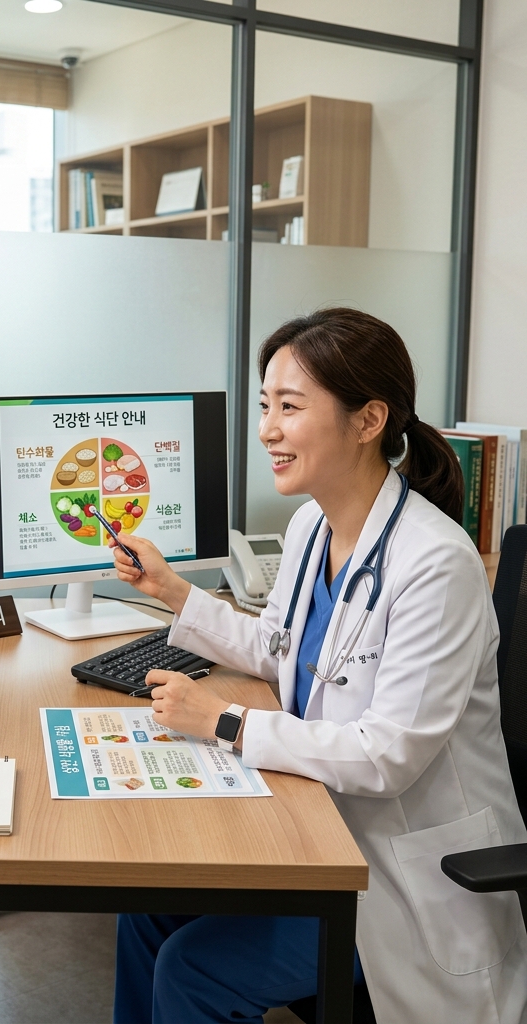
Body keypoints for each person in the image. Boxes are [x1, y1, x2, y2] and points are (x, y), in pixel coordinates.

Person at [110, 308, 527, 1024]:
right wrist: (172, 590)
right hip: (322, 830)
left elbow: (386, 755)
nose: (268, 428)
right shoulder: (312, 527)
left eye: (290, 407)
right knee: (143, 916)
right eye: (265, 406)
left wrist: (227, 722)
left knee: (193, 970)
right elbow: (282, 650)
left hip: (399, 879)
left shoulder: (436, 564)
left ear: (368, 420)